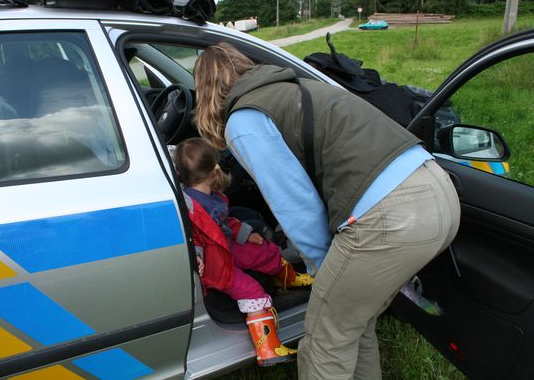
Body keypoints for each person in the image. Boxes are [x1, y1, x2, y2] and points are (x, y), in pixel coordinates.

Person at [192, 42, 460, 379]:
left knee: (323, 342)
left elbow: (295, 206)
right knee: (352, 324)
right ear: (247, 67)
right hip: (438, 190)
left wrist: (322, 269)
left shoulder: (245, 119)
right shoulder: (300, 86)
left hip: (390, 216)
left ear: (205, 91)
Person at [174, 137, 313, 367]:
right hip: (216, 266)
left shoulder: (211, 196)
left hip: (224, 247)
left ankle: (287, 280)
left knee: (264, 251)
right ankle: (268, 349)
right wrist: (197, 257)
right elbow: (193, 237)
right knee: (253, 292)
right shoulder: (190, 208)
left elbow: (224, 222)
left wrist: (246, 234)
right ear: (211, 171)